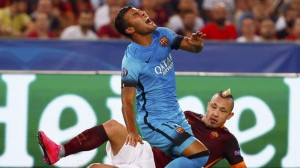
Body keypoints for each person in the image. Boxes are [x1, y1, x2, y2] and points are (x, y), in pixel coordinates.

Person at [37, 89, 246, 168]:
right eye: (214, 106)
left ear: (230, 116)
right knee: (112, 126)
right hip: (147, 151)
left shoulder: (227, 140)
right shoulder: (189, 115)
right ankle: (59, 152)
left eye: (223, 110)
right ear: (208, 105)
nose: (216, 113)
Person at [115, 5, 208, 168]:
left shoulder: (163, 34)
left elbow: (194, 48)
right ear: (130, 29)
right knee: (200, 155)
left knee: (191, 164)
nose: (143, 13)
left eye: (140, 11)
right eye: (136, 15)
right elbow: (126, 101)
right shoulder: (132, 60)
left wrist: (198, 44)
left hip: (177, 117)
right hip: (155, 122)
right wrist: (132, 131)